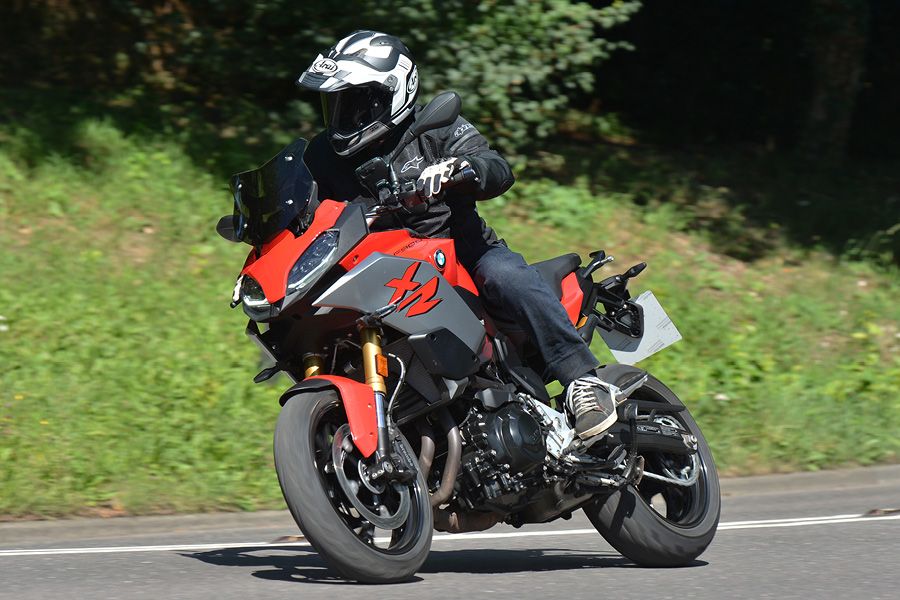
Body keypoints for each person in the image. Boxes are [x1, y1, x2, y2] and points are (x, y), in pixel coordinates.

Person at [297, 30, 618, 441]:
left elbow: (495, 166)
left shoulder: (435, 126)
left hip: (461, 253)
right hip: (376, 266)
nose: (344, 112)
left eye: (358, 101)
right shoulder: (322, 155)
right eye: (337, 101)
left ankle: (582, 382)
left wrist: (461, 170)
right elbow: (301, 207)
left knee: (506, 275)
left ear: (392, 94)